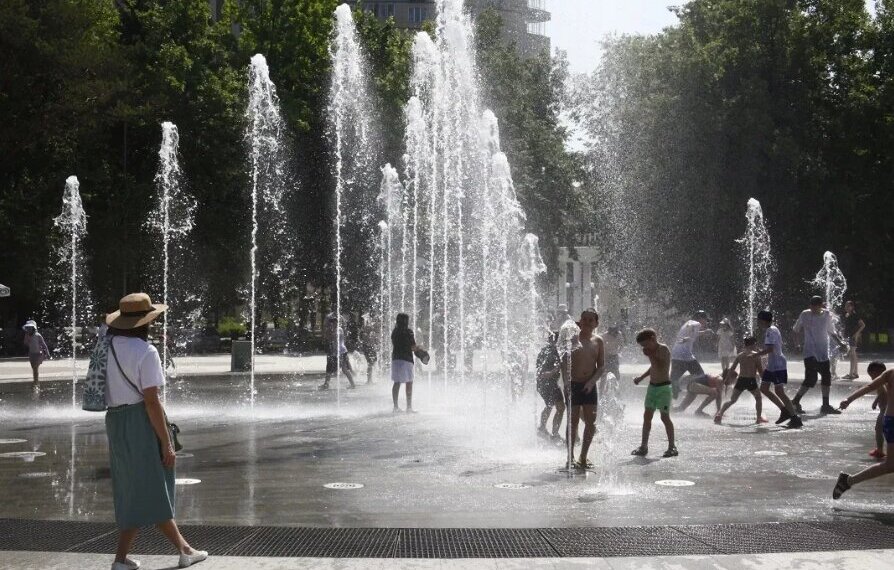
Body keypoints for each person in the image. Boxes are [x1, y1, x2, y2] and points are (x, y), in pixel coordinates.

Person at [103, 293, 207, 570]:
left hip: (114, 421)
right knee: (154, 484)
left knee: (132, 487)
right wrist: (166, 442)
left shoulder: (106, 348)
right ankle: (184, 550)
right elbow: (151, 401)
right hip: (140, 420)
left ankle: (122, 559)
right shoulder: (146, 352)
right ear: (146, 322)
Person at [833, 362, 894, 499]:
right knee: (890, 465)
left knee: (890, 465)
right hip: (892, 422)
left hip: (890, 421)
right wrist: (848, 399)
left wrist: (849, 400)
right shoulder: (891, 373)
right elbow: (870, 386)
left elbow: (870, 387)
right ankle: (848, 481)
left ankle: (848, 481)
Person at [560, 309, 605, 469]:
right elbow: (564, 362)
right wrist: (566, 382)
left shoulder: (598, 341)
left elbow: (601, 367)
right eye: (584, 319)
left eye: (590, 320)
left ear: (596, 323)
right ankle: (570, 457)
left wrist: (592, 382)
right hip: (573, 384)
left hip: (589, 386)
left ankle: (583, 457)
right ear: (580, 321)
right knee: (572, 422)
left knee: (591, 423)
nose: (586, 322)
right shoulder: (572, 339)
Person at [791, 296, 847, 415]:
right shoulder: (805, 314)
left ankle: (825, 405)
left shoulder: (827, 315)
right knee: (811, 379)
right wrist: (797, 345)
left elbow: (831, 332)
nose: (812, 308)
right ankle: (795, 401)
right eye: (811, 306)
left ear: (821, 305)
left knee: (826, 378)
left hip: (823, 353)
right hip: (809, 352)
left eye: (815, 306)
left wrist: (840, 343)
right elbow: (795, 330)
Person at [631, 328, 677, 457]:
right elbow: (653, 367)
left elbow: (661, 366)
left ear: (653, 338)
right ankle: (643, 446)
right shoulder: (651, 351)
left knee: (664, 417)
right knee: (647, 416)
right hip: (652, 387)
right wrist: (641, 378)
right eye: (642, 346)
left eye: (646, 344)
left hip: (664, 388)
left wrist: (651, 354)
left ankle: (672, 447)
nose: (644, 348)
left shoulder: (663, 349)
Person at [755, 310, 802, 428]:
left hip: (777, 364)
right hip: (772, 365)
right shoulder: (773, 329)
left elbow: (770, 349)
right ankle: (784, 410)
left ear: (763, 320)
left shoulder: (770, 331)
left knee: (779, 391)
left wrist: (756, 355)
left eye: (758, 320)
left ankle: (794, 417)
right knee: (764, 388)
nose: (758, 323)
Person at [714, 337, 766, 424]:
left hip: (741, 380)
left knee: (732, 400)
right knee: (758, 398)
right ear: (752, 344)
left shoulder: (740, 355)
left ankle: (720, 414)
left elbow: (732, 368)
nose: (756, 346)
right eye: (755, 344)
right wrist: (765, 380)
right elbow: (760, 371)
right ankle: (758, 418)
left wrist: (726, 379)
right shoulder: (756, 356)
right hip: (751, 380)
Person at [670, 311, 713, 399]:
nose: (706, 322)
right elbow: (691, 329)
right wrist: (688, 337)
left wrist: (704, 332)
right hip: (685, 355)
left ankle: (671, 398)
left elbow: (692, 333)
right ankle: (681, 384)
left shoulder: (688, 323)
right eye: (706, 320)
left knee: (674, 378)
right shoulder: (696, 324)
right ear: (701, 318)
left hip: (675, 354)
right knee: (700, 375)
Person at [535, 330, 564, 441]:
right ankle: (552, 433)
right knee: (556, 406)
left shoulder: (545, 350)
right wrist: (552, 372)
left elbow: (539, 367)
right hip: (548, 383)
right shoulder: (553, 351)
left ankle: (544, 430)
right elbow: (553, 367)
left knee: (554, 406)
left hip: (547, 383)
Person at [319, 312, 355, 391]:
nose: (332, 324)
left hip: (341, 351)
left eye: (334, 322)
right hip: (336, 352)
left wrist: (329, 332)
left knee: (344, 369)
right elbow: (326, 338)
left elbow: (333, 337)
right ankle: (326, 384)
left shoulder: (339, 329)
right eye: (331, 322)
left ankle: (353, 384)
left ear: (337, 323)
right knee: (329, 367)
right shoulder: (333, 329)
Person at [391, 313, 417, 412]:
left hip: (396, 359)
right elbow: (413, 347)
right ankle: (409, 407)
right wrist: (420, 349)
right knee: (409, 382)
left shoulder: (394, 332)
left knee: (397, 382)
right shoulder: (408, 332)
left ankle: (395, 407)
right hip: (407, 359)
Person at [22, 320, 49, 390]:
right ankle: (36, 382)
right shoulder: (27, 335)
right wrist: (27, 338)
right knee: (34, 369)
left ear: (33, 328)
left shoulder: (38, 335)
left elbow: (43, 344)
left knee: (35, 368)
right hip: (31, 354)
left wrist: (47, 352)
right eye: (27, 328)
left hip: (38, 354)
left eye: (30, 328)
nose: (28, 329)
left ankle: (36, 383)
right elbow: (25, 343)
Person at [842, 301, 866, 380]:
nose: (846, 307)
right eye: (846, 306)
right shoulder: (847, 315)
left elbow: (863, 325)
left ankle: (851, 374)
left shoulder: (855, 315)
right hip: (850, 336)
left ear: (852, 307)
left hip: (853, 336)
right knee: (853, 354)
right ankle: (855, 373)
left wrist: (856, 334)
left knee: (852, 354)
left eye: (848, 306)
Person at [357, 313, 378, 384]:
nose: (372, 328)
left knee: (372, 364)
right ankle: (369, 380)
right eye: (369, 328)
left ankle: (371, 379)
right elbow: (367, 342)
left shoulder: (370, 333)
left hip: (370, 349)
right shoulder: (365, 334)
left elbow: (375, 341)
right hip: (368, 349)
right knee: (370, 364)